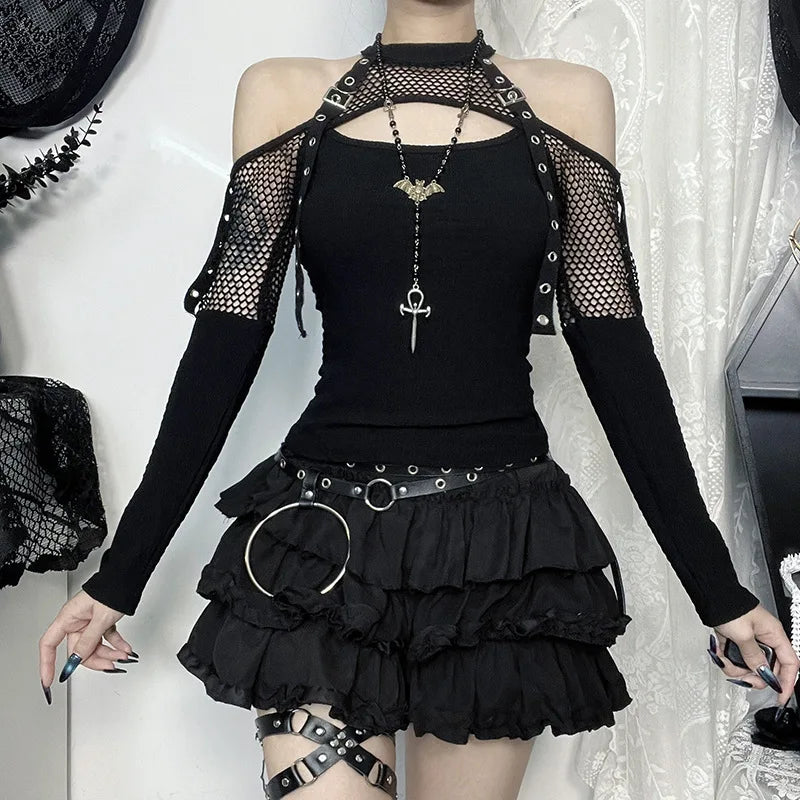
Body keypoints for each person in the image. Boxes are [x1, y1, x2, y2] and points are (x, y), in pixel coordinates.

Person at [39, 1, 799, 798]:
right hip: (322, 547)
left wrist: (719, 590)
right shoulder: (283, 93)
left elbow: (618, 358)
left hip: (499, 557)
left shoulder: (569, 100)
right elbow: (222, 349)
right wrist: (119, 577)